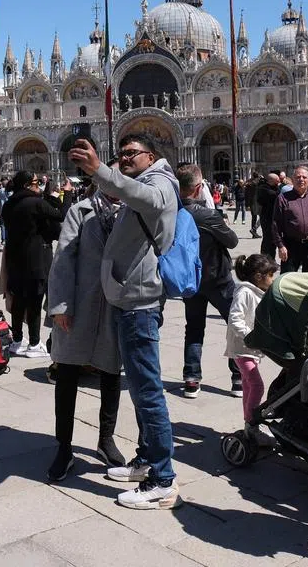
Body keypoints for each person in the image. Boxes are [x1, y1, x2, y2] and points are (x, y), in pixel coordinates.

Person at [70, 133, 180, 511]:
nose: (125, 158)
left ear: (152, 155)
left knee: (148, 390)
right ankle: (148, 459)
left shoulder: (161, 183)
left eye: (132, 153)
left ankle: (163, 480)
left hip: (140, 301)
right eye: (122, 154)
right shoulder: (148, 181)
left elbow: (145, 199)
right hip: (128, 296)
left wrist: (99, 169)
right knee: (137, 385)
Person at [46, 175, 126, 481]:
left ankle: (106, 439)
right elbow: (63, 259)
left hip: (115, 304)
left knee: (111, 372)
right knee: (66, 373)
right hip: (78, 304)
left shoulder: (134, 212)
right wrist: (60, 306)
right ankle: (63, 447)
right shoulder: (81, 210)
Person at [177, 163, 239, 398]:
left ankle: (192, 378)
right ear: (196, 188)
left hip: (189, 281)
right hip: (217, 279)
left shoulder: (172, 212)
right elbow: (232, 241)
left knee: (193, 328)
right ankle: (238, 377)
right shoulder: (206, 215)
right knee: (235, 324)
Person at [0, 170, 63, 358]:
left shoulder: (9, 204)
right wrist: (61, 196)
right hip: (37, 259)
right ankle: (34, 343)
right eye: (36, 182)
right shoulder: (36, 203)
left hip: (15, 258)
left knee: (19, 300)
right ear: (28, 184)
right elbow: (60, 215)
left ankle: (17, 340)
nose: (38, 185)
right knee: (35, 301)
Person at [225, 254, 277, 444]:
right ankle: (251, 423)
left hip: (251, 348)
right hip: (242, 347)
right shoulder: (244, 292)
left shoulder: (258, 292)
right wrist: (251, 336)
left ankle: (248, 421)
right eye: (270, 275)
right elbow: (234, 319)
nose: (273, 280)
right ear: (258, 276)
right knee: (256, 385)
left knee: (248, 385)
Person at [272, 166, 308, 273]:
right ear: (292, 180)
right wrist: (280, 246)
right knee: (288, 279)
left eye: (304, 177)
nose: (301, 179)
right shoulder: (283, 198)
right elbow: (276, 224)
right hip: (291, 245)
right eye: (298, 177)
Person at [257, 173, 281, 256]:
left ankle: (271, 258)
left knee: (273, 239)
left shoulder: (275, 188)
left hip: (274, 217)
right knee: (268, 239)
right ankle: (266, 259)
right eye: (277, 180)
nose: (279, 181)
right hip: (267, 217)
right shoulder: (263, 188)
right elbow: (275, 195)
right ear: (271, 180)